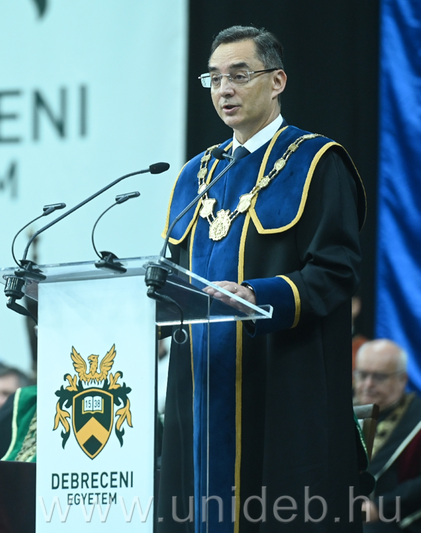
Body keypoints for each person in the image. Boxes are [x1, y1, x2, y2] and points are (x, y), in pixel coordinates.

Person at [159, 26, 367, 531]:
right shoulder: (194, 176)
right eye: (214, 78)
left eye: (239, 75)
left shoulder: (315, 162)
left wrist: (257, 295)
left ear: (277, 82)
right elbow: (173, 277)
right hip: (200, 385)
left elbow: (336, 270)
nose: (224, 89)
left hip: (280, 380)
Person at [354, 339, 421, 531]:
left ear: (402, 379)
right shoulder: (341, 412)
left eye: (379, 377)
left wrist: (380, 507)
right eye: (362, 374)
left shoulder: (416, 419)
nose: (368, 384)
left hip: (394, 519)